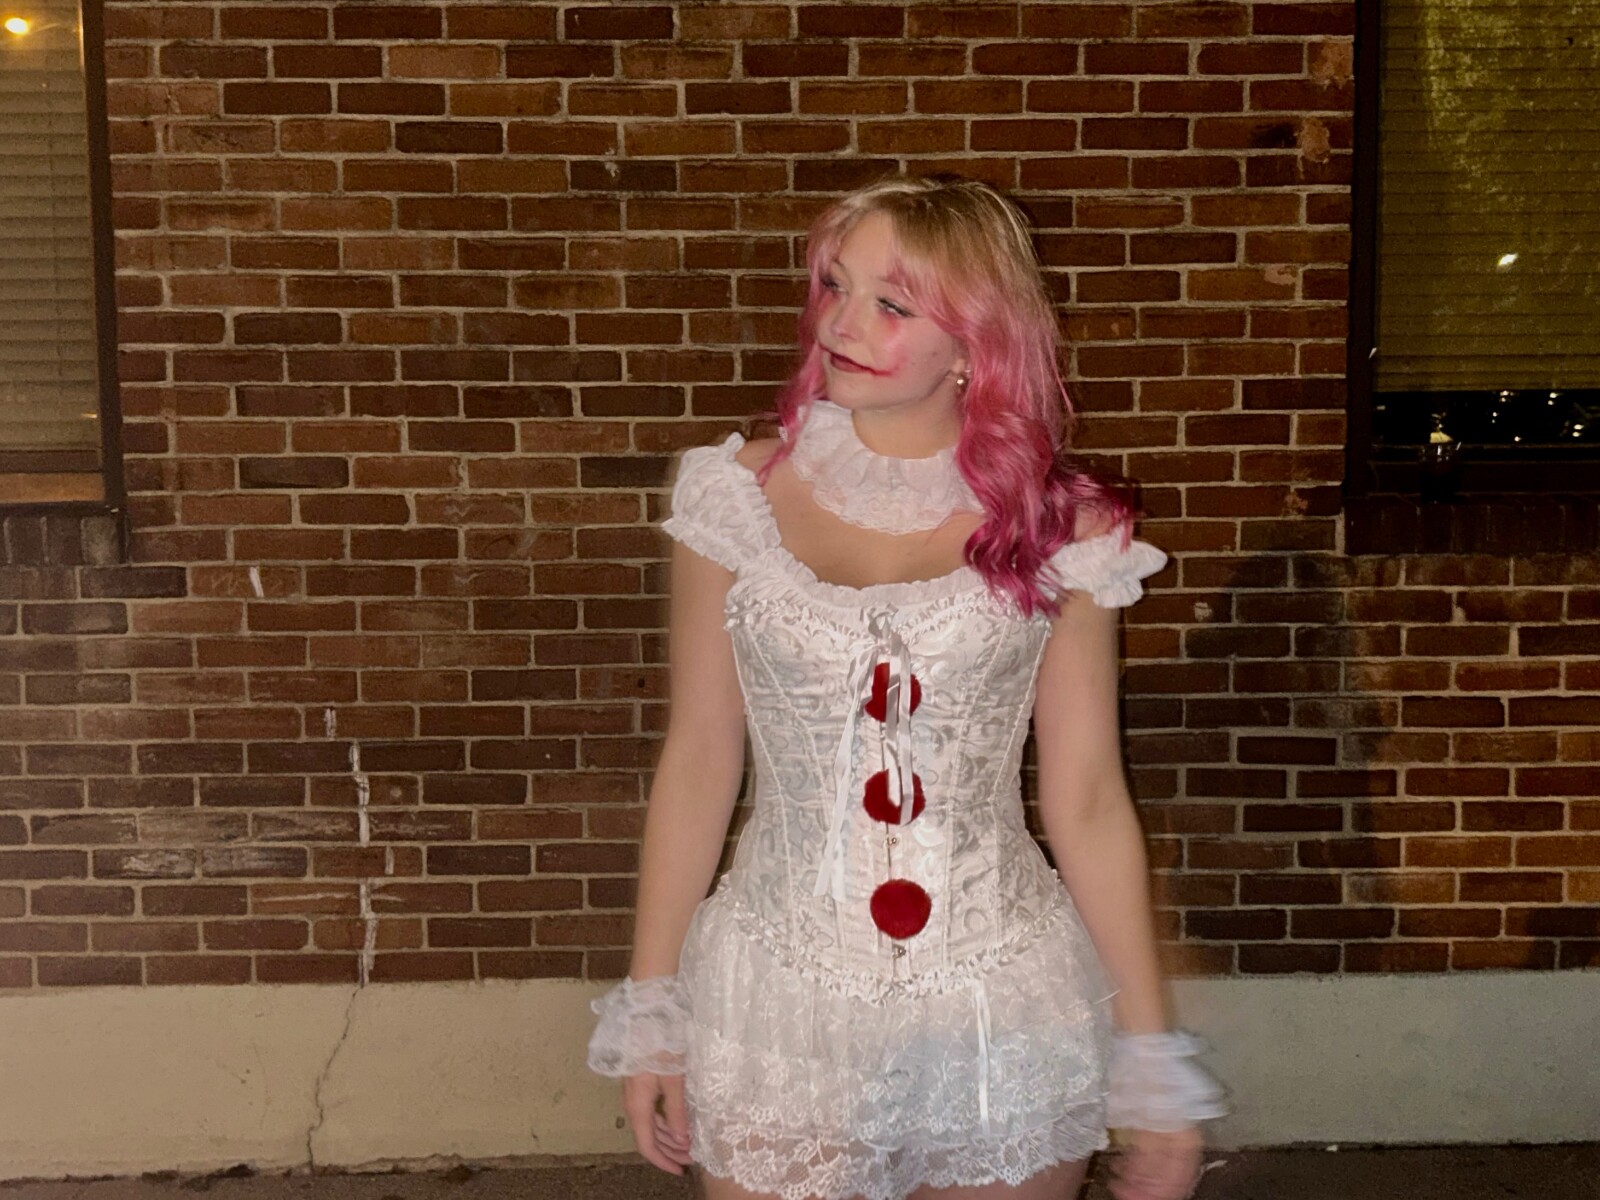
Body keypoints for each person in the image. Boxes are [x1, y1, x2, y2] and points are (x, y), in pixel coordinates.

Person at [587, 175, 1225, 1200]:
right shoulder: (735, 494)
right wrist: (652, 1005)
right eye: (835, 286)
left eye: (891, 303)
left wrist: (1152, 1063)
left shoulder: (1063, 527)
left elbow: (1088, 798)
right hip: (778, 997)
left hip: (1000, 1001)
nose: (842, 323)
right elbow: (700, 756)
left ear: (976, 342)